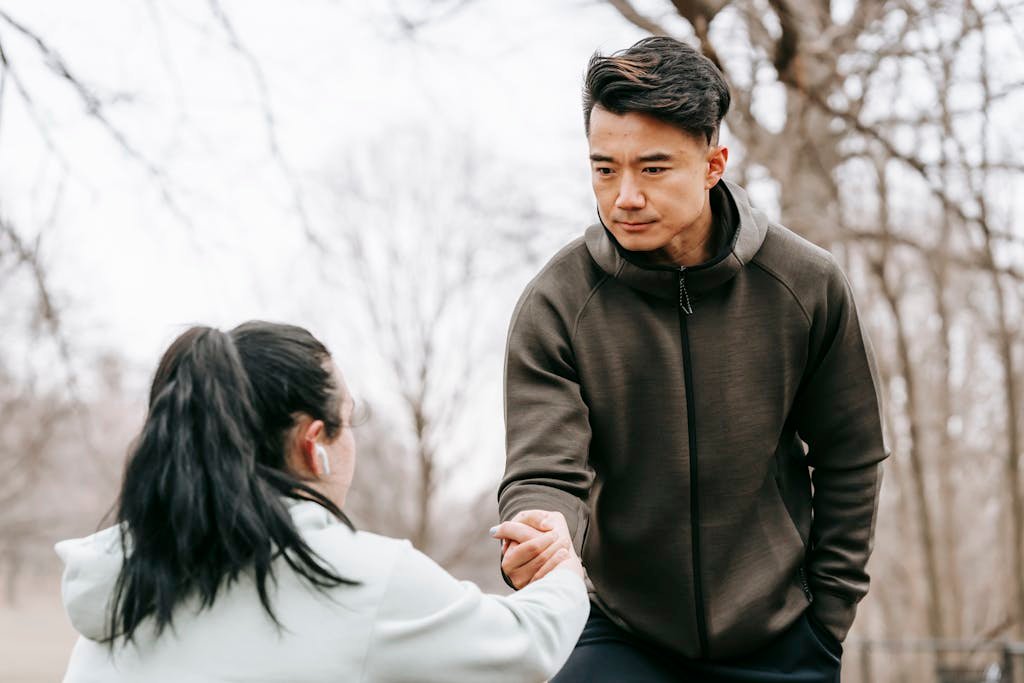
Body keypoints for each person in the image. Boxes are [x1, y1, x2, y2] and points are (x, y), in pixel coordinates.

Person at [493, 37, 888, 682]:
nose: (624, 196)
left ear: (713, 164)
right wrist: (540, 533)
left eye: (653, 169)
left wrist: (828, 619)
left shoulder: (806, 283)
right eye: (604, 169)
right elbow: (544, 471)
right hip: (622, 632)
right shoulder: (557, 302)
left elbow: (851, 456)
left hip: (784, 636)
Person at [56, 322, 588, 682]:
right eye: (349, 420)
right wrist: (562, 568)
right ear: (315, 445)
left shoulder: (117, 576)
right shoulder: (358, 579)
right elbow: (528, 648)